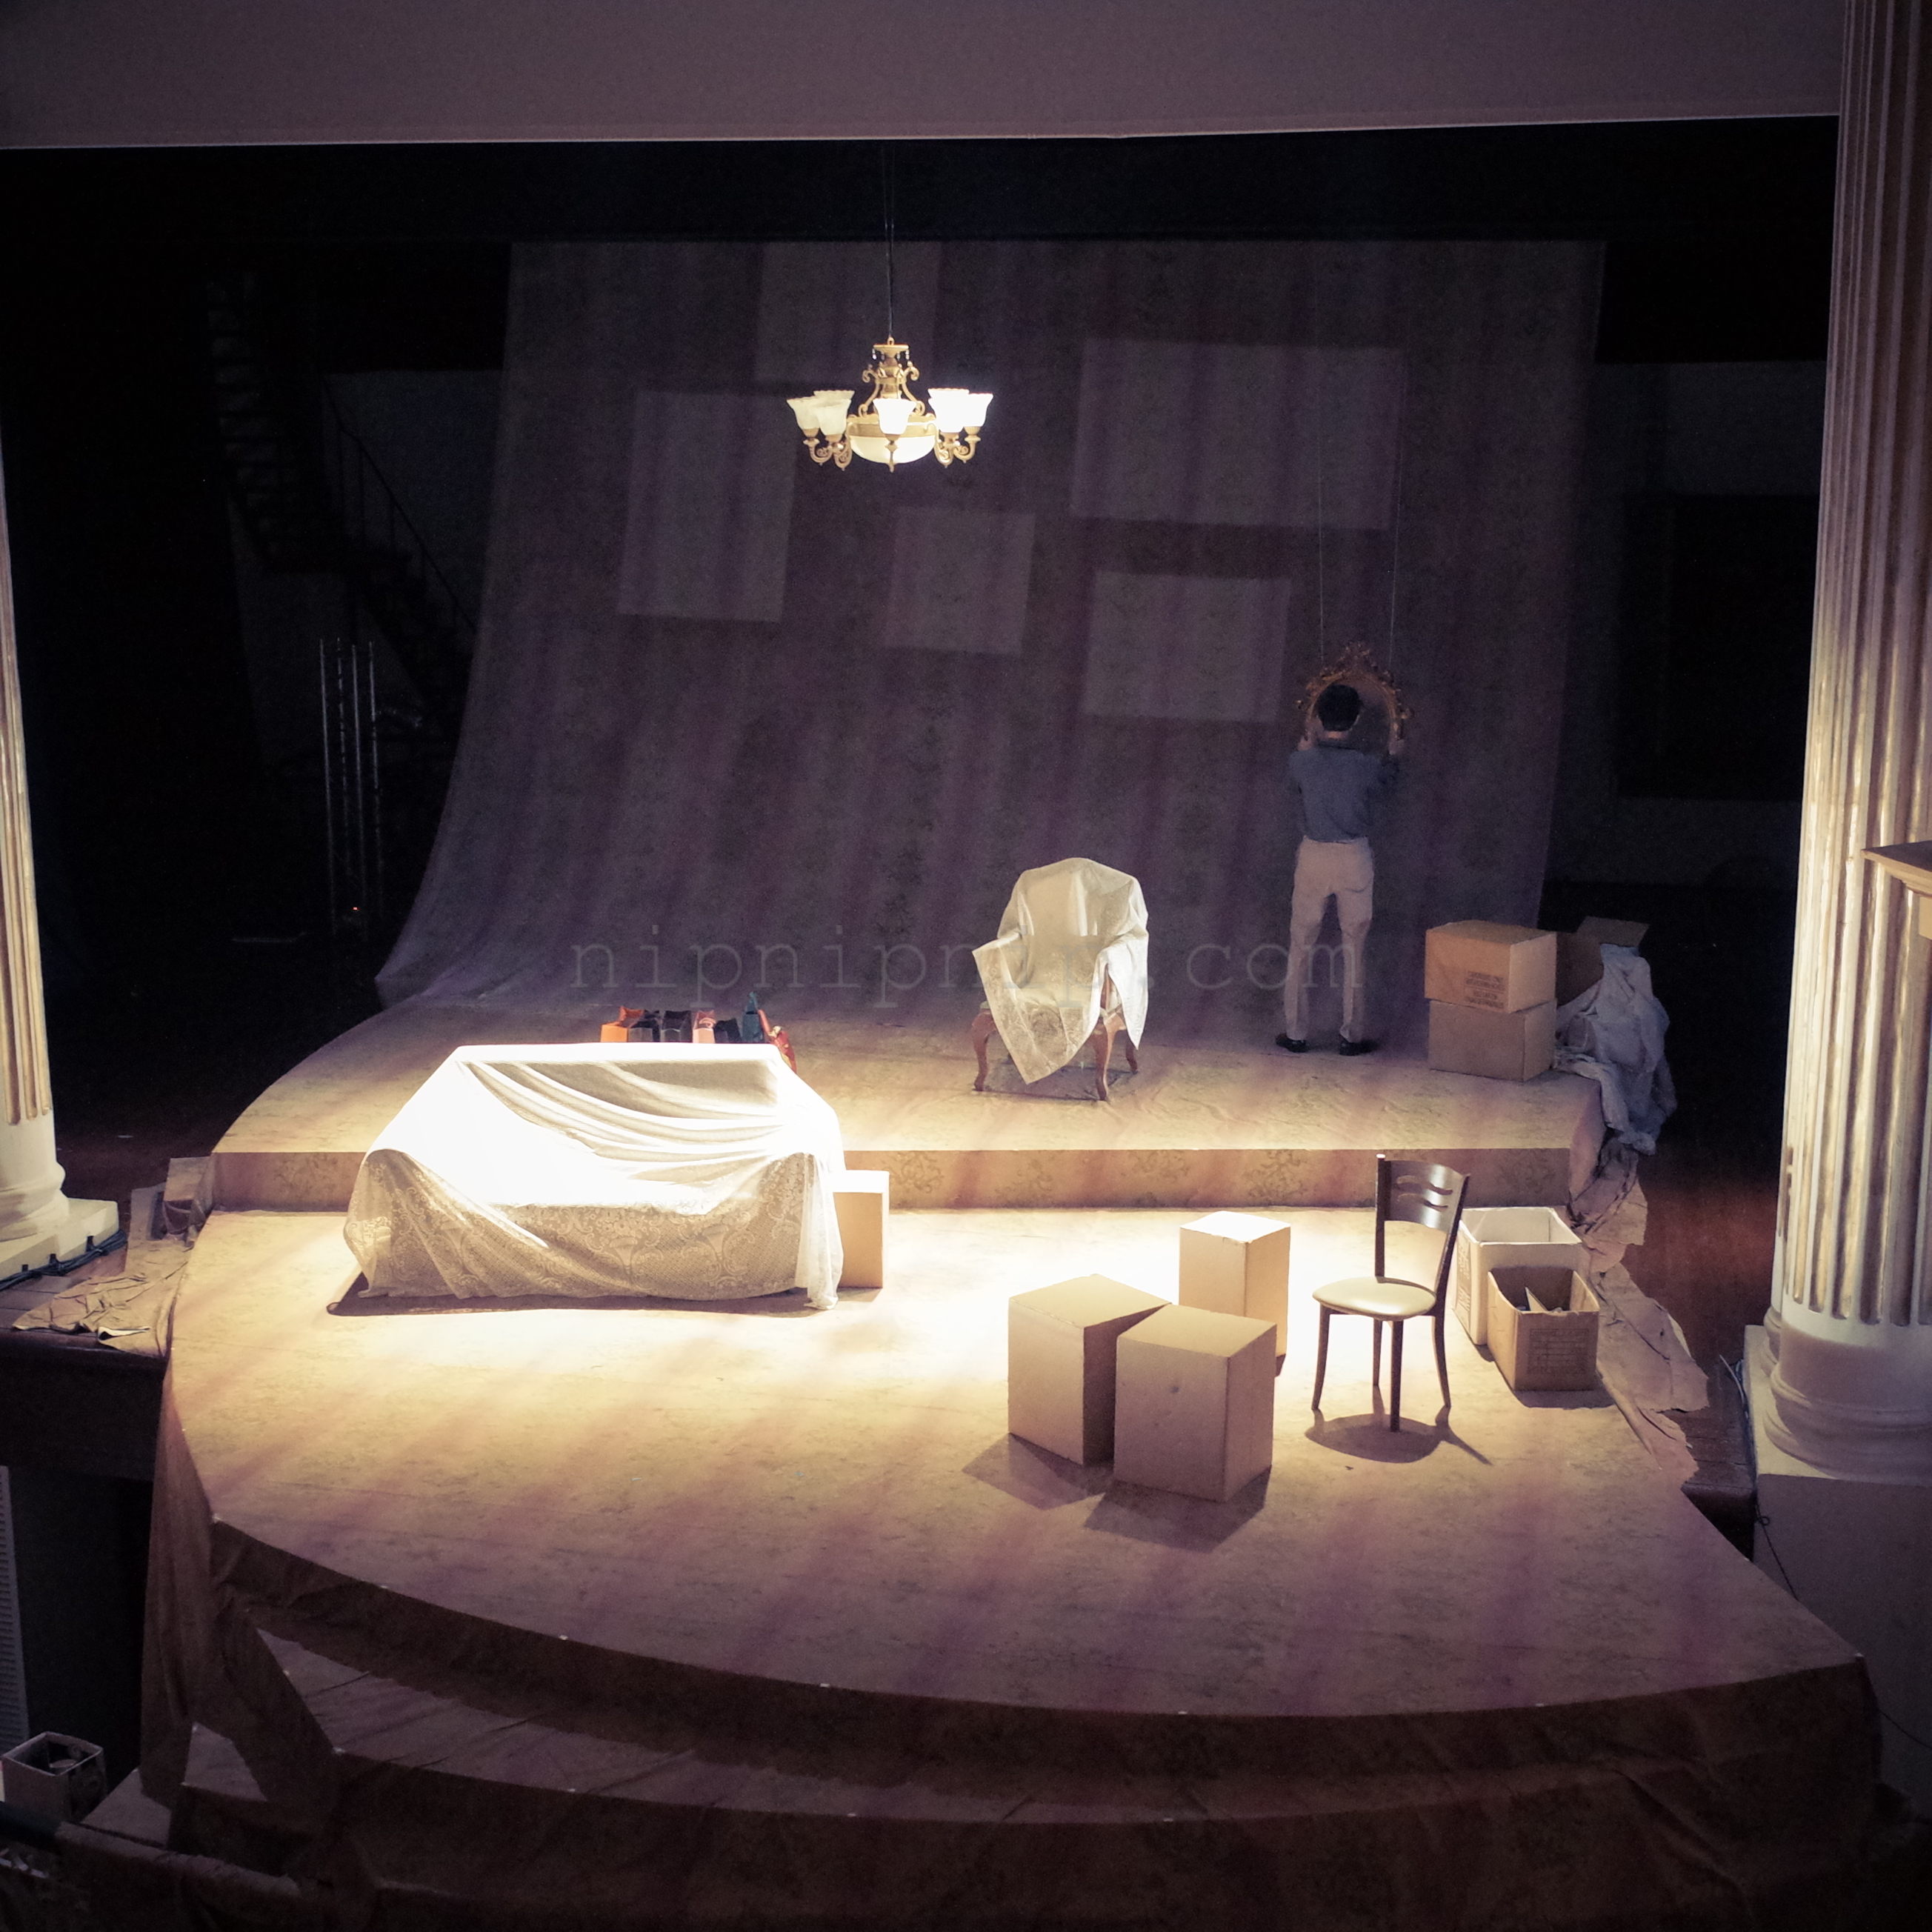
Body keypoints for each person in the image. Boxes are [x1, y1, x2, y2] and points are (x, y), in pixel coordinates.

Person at [1278, 682, 1404, 1056]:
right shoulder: (1367, 766)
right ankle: (1352, 1035)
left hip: (1314, 854)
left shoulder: (1299, 761)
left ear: (1317, 718)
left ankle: (1295, 1032)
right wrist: (1394, 756)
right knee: (1355, 947)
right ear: (1358, 719)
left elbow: (1294, 787)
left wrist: (1306, 750)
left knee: (1300, 943)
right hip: (1354, 855)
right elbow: (1388, 785)